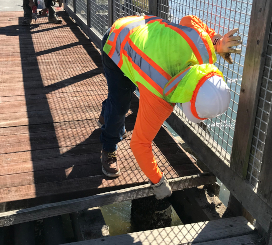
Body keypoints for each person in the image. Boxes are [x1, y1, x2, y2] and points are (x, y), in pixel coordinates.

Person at [98, 15, 241, 200]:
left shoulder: (204, 48)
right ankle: (109, 146)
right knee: (120, 105)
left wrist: (217, 42)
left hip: (140, 27)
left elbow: (188, 20)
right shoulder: (160, 96)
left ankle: (107, 111)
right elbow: (139, 144)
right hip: (117, 39)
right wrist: (158, 182)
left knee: (120, 94)